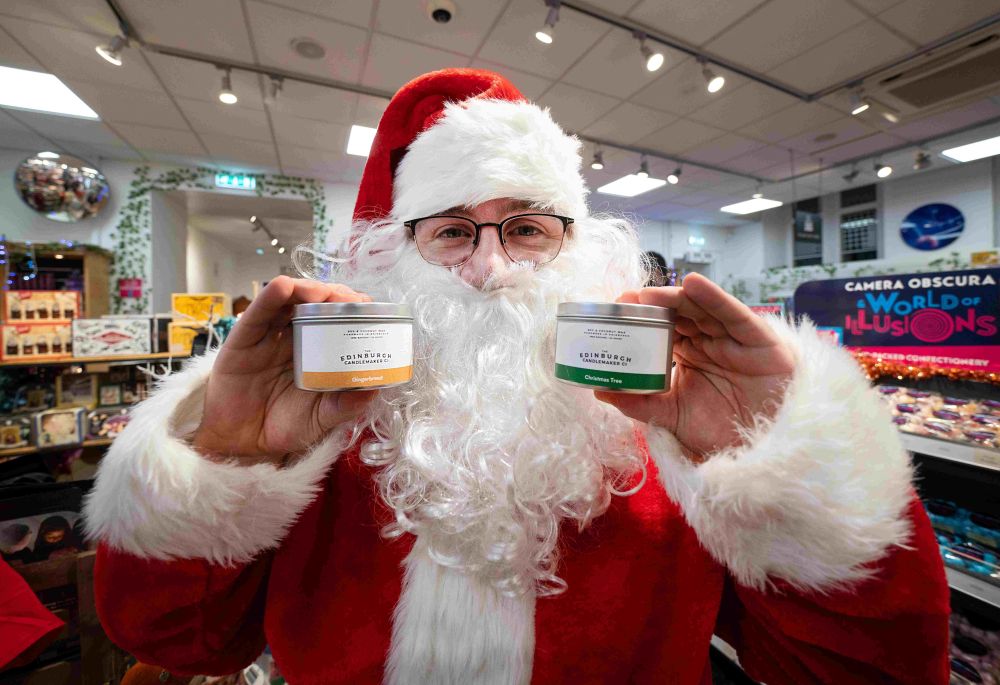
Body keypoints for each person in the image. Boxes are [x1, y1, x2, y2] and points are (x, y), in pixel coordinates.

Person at [85, 69, 949, 684]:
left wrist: (789, 470)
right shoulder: (313, 436)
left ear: (581, 247)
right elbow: (179, 639)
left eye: (528, 229)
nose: (492, 268)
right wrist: (228, 460)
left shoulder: (667, 434)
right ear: (398, 255)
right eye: (454, 232)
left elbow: (872, 669)